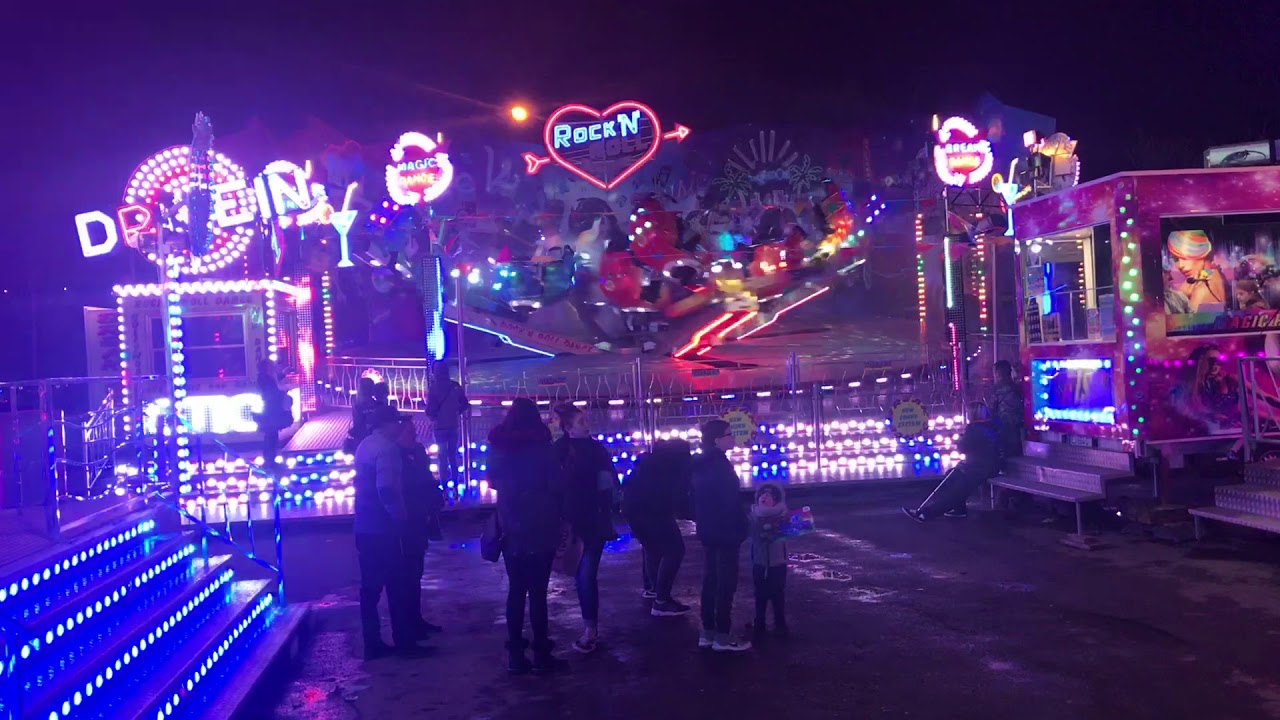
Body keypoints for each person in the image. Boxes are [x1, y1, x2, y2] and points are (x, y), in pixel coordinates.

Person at [488, 398, 567, 674]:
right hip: (540, 523)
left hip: (510, 524)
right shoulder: (542, 447)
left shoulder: (498, 447)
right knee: (537, 592)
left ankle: (516, 655)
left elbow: (492, 480)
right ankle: (542, 653)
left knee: (516, 591)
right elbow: (556, 484)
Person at [353, 406, 429, 659]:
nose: (400, 426)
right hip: (384, 527)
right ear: (386, 423)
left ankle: (372, 642)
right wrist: (400, 516)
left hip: (364, 525)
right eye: (396, 421)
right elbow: (386, 488)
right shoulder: (387, 449)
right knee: (398, 584)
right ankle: (404, 642)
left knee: (370, 588)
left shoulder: (365, 445)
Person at [553, 405, 619, 654]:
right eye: (581, 421)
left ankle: (590, 628)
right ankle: (590, 627)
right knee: (584, 573)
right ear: (569, 427)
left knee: (584, 573)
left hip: (581, 519)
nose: (587, 424)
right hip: (586, 519)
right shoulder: (593, 450)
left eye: (585, 420)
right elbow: (608, 483)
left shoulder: (561, 450)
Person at [690, 419, 752, 652]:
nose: (733, 438)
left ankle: (707, 632)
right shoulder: (720, 466)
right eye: (729, 434)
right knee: (726, 582)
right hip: (726, 530)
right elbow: (729, 502)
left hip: (707, 528)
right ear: (717, 440)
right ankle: (723, 635)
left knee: (710, 579)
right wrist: (743, 526)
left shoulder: (699, 464)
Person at [623, 439, 693, 617]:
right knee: (674, 551)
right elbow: (679, 500)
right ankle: (662, 601)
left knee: (652, 549)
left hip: (635, 512)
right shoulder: (674, 468)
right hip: (655, 513)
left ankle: (653, 589)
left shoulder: (647, 464)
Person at [903, 402, 1001, 522]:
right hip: (981, 464)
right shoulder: (989, 427)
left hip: (980, 468)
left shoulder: (974, 429)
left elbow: (963, 448)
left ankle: (927, 513)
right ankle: (958, 509)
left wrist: (960, 439)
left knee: (957, 489)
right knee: (951, 477)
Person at [398, 417, 444, 638]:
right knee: (407, 573)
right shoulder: (395, 455)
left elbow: (426, 477)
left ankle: (416, 620)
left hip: (420, 517)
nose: (414, 433)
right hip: (408, 519)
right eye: (409, 430)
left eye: (413, 430)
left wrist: (435, 497)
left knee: (416, 571)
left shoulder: (417, 450)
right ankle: (409, 625)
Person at [749, 482, 789, 639]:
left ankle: (780, 622)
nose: (764, 497)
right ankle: (759, 621)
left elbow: (800, 527)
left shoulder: (783, 515)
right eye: (762, 495)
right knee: (760, 593)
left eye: (769, 495)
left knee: (777, 592)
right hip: (759, 562)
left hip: (778, 562)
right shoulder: (753, 516)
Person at [424, 364, 468, 485]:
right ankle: (456, 484)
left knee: (442, 458)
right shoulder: (455, 386)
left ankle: (444, 486)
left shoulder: (433, 388)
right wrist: (455, 412)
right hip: (453, 425)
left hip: (439, 427)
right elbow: (465, 404)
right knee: (453, 457)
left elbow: (429, 409)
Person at [1167, 229, 1225, 312]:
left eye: (1185, 257)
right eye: (1175, 259)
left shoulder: (1200, 291)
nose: (1180, 265)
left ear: (1202, 252)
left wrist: (1180, 298)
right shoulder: (1212, 272)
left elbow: (1187, 325)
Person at [254, 358, 293, 469]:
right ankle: (270, 460)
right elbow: (271, 393)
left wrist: (283, 375)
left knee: (271, 435)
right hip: (270, 411)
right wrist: (282, 392)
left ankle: (271, 459)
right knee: (271, 436)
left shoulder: (265, 378)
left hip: (270, 410)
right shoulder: (265, 379)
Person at [989, 360, 1025, 460]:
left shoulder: (996, 390)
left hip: (1002, 428)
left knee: (1006, 457)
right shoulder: (1017, 388)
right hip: (1017, 428)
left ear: (997, 373)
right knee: (1017, 455)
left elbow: (992, 409)